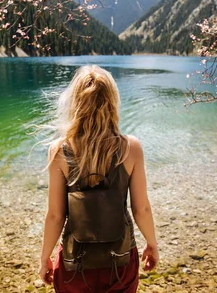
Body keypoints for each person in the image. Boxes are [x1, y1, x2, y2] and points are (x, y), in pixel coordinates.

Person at [38, 65, 159, 292]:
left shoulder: (59, 151)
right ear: (112, 102)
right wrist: (152, 244)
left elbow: (55, 215)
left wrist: (45, 257)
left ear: (75, 103)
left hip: (74, 265)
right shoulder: (130, 148)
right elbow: (141, 209)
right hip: (120, 264)